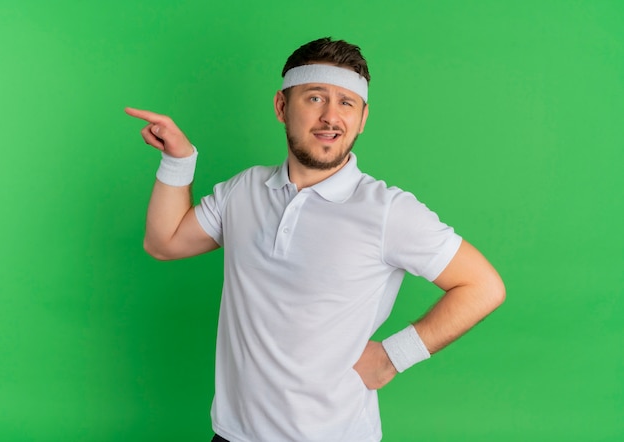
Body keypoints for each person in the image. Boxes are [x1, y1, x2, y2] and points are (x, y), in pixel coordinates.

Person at [126, 37, 505, 442]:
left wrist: (394, 356)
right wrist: (178, 161)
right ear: (281, 106)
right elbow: (163, 242)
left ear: (362, 118)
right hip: (233, 434)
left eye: (347, 103)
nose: (330, 117)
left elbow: (483, 286)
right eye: (314, 98)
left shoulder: (387, 211)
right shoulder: (244, 190)